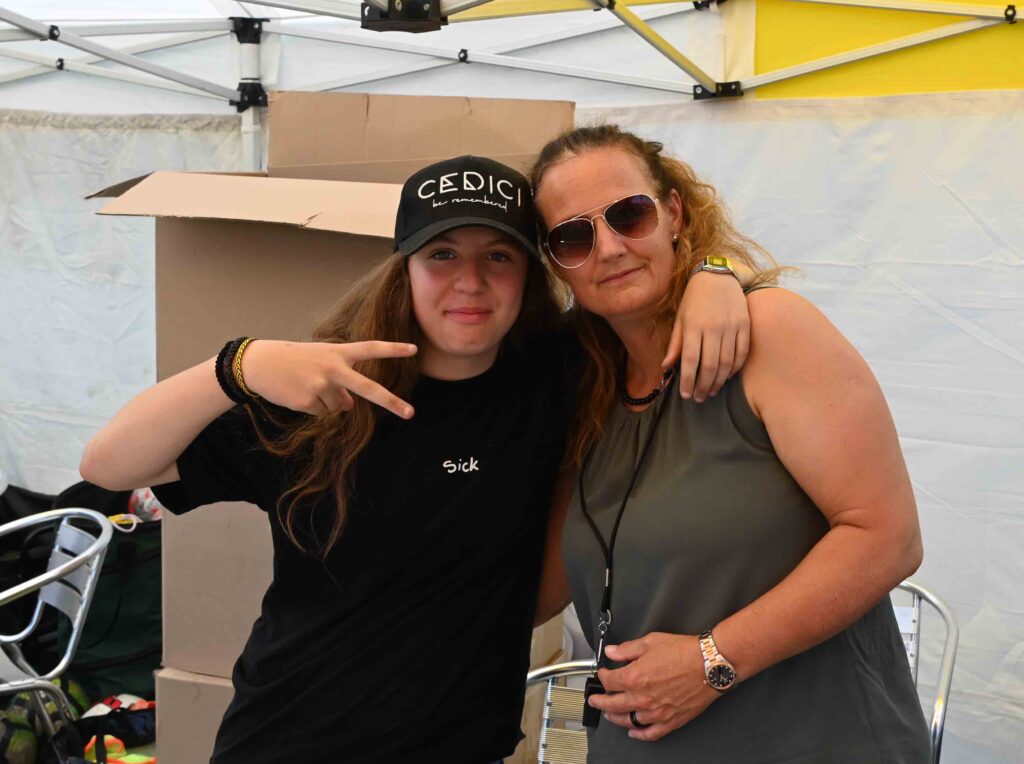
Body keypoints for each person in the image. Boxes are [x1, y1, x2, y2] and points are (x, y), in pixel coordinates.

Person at [79, 155, 750, 764]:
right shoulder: (325, 399)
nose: (470, 282)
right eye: (442, 254)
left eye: (498, 256)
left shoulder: (558, 376)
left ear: (531, 273)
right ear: (404, 268)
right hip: (287, 742)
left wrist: (715, 274)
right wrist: (238, 366)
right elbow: (108, 467)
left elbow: (646, 283)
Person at [530, 126, 932, 762]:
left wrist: (711, 662)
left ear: (673, 213)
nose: (608, 247)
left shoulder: (770, 330)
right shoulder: (584, 389)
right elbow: (539, 594)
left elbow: (888, 537)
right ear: (556, 263)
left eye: (629, 215)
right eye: (573, 237)